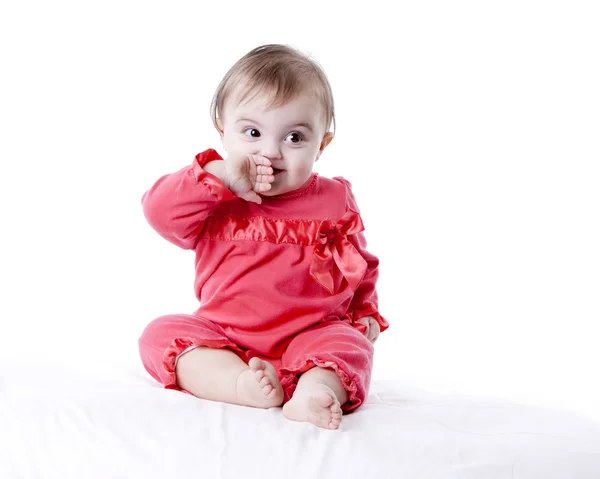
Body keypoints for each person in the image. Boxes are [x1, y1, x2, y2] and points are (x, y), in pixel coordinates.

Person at [138, 44, 389, 430]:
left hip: (310, 336)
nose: (270, 152)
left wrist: (365, 310)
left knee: (350, 346)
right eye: (252, 133)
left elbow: (357, 263)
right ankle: (237, 385)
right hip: (226, 339)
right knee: (159, 335)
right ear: (224, 133)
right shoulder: (212, 193)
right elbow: (158, 212)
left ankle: (312, 392)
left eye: (294, 138)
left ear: (322, 145)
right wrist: (219, 177)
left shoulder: (335, 199)